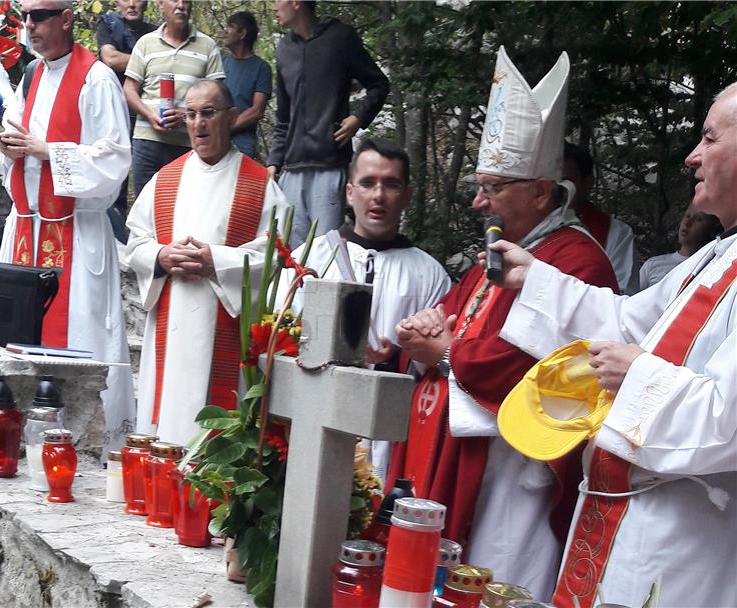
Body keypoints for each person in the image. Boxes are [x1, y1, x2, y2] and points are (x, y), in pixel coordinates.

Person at [491, 83, 737, 608]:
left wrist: (640, 376)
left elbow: (728, 418)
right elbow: (626, 325)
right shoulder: (714, 257)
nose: (692, 156)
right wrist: (535, 278)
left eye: (709, 139)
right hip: (624, 518)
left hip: (687, 543)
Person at [388, 47, 619, 600]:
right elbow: (447, 318)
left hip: (516, 472)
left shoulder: (578, 262)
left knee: (496, 578)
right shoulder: (501, 254)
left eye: (492, 188)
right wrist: (422, 331)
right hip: (461, 453)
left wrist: (443, 354)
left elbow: (522, 366)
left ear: (541, 191)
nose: (477, 202)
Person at [0, 0, 135, 458]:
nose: (29, 26)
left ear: (67, 18)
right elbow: (12, 148)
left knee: (81, 337)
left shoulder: (96, 78)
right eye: (25, 18)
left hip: (74, 232)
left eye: (38, 17)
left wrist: (46, 151)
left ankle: (89, 446)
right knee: (20, 341)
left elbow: (115, 159)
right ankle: (19, 439)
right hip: (26, 232)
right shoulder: (31, 76)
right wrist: (12, 149)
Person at [125, 80, 288, 446]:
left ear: (231, 117)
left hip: (225, 332)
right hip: (171, 326)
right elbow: (135, 243)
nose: (199, 123)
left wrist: (217, 260)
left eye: (209, 114)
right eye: (192, 114)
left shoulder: (259, 183)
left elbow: (277, 255)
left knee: (219, 434)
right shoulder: (165, 179)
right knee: (167, 428)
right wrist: (161, 256)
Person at [282, 138, 451, 484]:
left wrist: (398, 358)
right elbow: (281, 338)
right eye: (368, 183)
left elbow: (439, 359)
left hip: (390, 432)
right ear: (349, 192)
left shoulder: (430, 274)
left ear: (406, 195)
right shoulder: (309, 259)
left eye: (391, 184)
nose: (378, 195)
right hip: (319, 418)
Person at [268, 0, 390, 248]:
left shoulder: (341, 38)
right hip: (291, 170)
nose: (273, 7)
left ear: (296, 2)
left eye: (276, 0)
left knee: (325, 253)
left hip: (329, 165)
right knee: (291, 257)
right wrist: (273, 162)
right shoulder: (283, 49)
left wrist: (358, 119)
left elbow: (379, 84)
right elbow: (283, 116)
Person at [124, 0, 225, 198]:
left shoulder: (207, 46)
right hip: (147, 141)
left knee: (185, 209)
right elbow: (129, 89)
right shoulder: (145, 43)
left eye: (186, 1)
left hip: (189, 143)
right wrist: (149, 116)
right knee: (145, 207)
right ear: (161, 4)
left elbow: (218, 96)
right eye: (174, 0)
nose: (180, 5)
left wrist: (188, 115)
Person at [96, 0, 156, 242]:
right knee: (114, 180)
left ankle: (146, 243)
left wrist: (130, 59)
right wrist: (149, 59)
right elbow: (110, 59)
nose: (131, 3)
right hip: (113, 111)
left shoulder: (154, 32)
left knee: (149, 184)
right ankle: (114, 241)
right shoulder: (108, 24)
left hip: (146, 115)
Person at [564, 142, 640, 294]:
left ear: (587, 183)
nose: (557, 190)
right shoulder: (530, 224)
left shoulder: (616, 233)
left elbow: (620, 295)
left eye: (566, 181)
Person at [222, 11, 272, 159]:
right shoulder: (221, 62)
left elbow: (257, 110)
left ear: (242, 33)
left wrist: (226, 128)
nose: (225, 30)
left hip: (243, 145)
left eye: (230, 26)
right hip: (216, 143)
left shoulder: (261, 68)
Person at [639, 203, 722, 289]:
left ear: (712, 229)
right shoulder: (653, 264)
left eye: (698, 219)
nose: (688, 223)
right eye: (687, 216)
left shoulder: (714, 267)